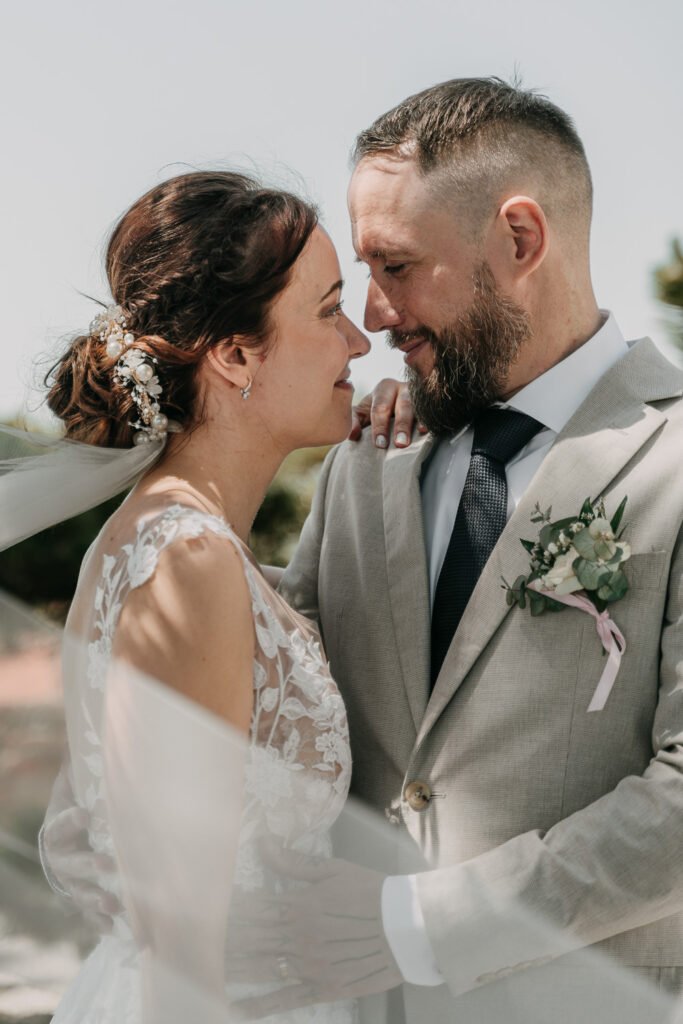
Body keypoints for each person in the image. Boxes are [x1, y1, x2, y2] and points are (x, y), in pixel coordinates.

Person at [247, 77, 683, 1023]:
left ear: (519, 240)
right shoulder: (367, 461)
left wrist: (422, 925)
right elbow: (289, 672)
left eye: (396, 266)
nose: (371, 313)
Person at [13, 169, 399, 1023]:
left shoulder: (190, 543)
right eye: (328, 311)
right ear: (234, 355)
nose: (358, 344)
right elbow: (180, 943)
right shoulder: (186, 559)